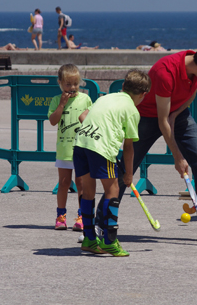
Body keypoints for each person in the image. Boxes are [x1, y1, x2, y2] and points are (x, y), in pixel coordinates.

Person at [96, 44, 197, 244]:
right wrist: (178, 157)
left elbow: (191, 94)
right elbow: (162, 121)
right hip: (148, 116)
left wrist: (177, 113)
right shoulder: (165, 72)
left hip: (178, 114)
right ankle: (100, 225)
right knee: (126, 169)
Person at [74, 69, 151, 256]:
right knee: (113, 190)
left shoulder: (105, 98)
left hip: (81, 143)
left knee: (88, 191)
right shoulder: (132, 111)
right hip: (102, 148)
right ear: (143, 95)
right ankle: (109, 240)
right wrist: (129, 173)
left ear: (123, 86)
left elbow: (83, 116)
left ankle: (89, 239)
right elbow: (129, 146)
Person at [48, 64, 93, 231]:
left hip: (82, 147)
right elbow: (53, 121)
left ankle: (82, 216)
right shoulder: (55, 100)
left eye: (75, 84)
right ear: (60, 83)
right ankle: (61, 216)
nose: (72, 88)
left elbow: (91, 120)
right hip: (64, 149)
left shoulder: (86, 99)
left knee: (81, 183)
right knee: (64, 182)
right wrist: (61, 104)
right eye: (68, 84)